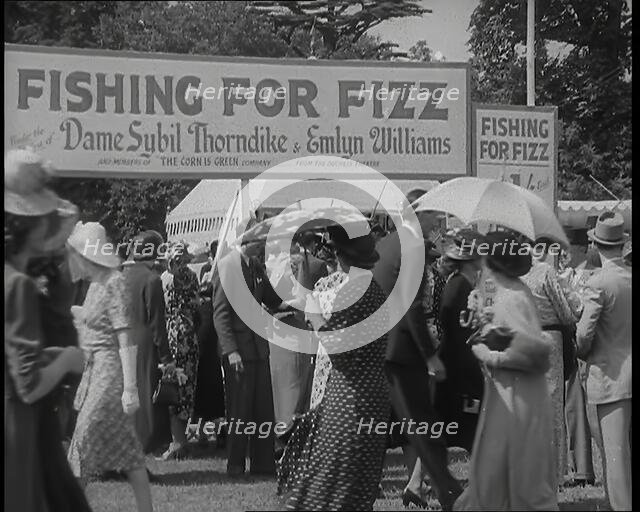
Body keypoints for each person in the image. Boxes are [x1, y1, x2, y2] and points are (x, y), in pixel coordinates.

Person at [278, 229, 390, 511]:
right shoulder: (374, 287)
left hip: (350, 399)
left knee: (327, 482)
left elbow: (338, 350)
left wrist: (315, 315)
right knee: (354, 484)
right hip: (373, 395)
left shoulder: (354, 290)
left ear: (339, 254)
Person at [5, 148, 89, 512]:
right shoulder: (18, 285)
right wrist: (67, 360)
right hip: (16, 427)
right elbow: (27, 385)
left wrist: (53, 356)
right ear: (29, 224)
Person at [455, 231, 558, 511]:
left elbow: (533, 355)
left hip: (519, 395)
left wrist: (488, 354)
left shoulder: (513, 297)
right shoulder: (500, 288)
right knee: (496, 469)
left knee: (518, 474)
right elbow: (486, 316)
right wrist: (477, 312)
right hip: (505, 392)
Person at [374, 188, 462, 511]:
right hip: (401, 350)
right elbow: (411, 308)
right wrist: (430, 355)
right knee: (424, 428)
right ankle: (448, 491)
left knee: (398, 429)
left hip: (382, 347)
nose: (438, 219)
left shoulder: (387, 243)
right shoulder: (411, 246)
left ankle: (440, 488)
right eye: (434, 213)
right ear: (418, 213)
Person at [66, 221, 153, 512]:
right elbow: (94, 322)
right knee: (127, 450)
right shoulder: (95, 285)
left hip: (109, 373)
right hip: (95, 372)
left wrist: (130, 388)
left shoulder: (114, 282)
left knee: (83, 437)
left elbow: (123, 333)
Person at [212, 220, 287, 477]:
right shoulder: (227, 266)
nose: (264, 249)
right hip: (238, 353)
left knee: (263, 410)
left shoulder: (255, 266)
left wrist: (298, 301)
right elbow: (220, 315)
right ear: (249, 242)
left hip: (259, 350)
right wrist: (231, 351)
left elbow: (272, 300)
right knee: (239, 411)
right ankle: (235, 464)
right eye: (261, 244)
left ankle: (264, 464)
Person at [576, 212, 631, 511]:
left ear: (596, 245)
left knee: (615, 455)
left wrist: (580, 351)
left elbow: (584, 334)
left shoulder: (599, 282)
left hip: (610, 376)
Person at [521, 239, 582, 485]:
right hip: (549, 340)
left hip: (523, 338)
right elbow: (566, 311)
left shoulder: (511, 272)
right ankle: (556, 472)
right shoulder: (544, 271)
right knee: (553, 405)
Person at [122, 230, 175, 455]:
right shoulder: (151, 279)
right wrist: (166, 357)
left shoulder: (122, 275)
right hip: (144, 343)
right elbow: (156, 322)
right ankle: (144, 442)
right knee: (146, 393)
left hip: (123, 340)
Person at [434, 235, 484, 452]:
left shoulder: (463, 283)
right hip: (459, 365)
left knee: (451, 426)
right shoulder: (459, 286)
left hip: (459, 363)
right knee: (460, 423)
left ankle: (417, 481)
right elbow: (454, 324)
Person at [160, 242, 200, 459]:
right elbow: (196, 304)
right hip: (190, 334)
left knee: (173, 386)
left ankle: (177, 442)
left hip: (173, 335)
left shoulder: (166, 279)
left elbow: (163, 305)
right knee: (187, 387)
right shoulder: (192, 277)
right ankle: (181, 440)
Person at [193, 240, 226, 446]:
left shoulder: (223, 271)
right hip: (204, 328)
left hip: (213, 328)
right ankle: (204, 429)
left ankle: (214, 428)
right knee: (204, 380)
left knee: (213, 381)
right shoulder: (207, 269)